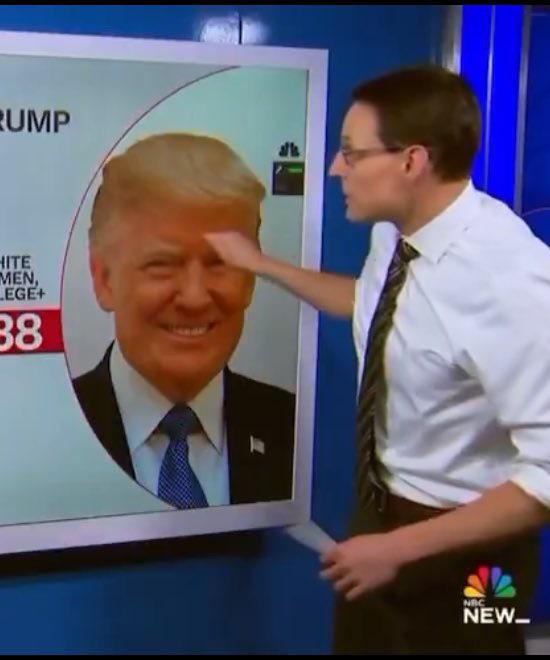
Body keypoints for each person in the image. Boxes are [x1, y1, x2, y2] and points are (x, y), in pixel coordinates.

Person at [205, 65, 550, 653]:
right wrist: (259, 265)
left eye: (351, 153)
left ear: (412, 162)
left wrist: (398, 549)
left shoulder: (511, 282)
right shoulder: (397, 233)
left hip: (476, 555)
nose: (336, 169)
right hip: (380, 519)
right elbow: (371, 305)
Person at [73, 133, 295, 510]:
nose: (195, 298)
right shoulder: (42, 434)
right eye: (162, 264)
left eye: (221, 263)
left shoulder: (299, 431)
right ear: (104, 279)